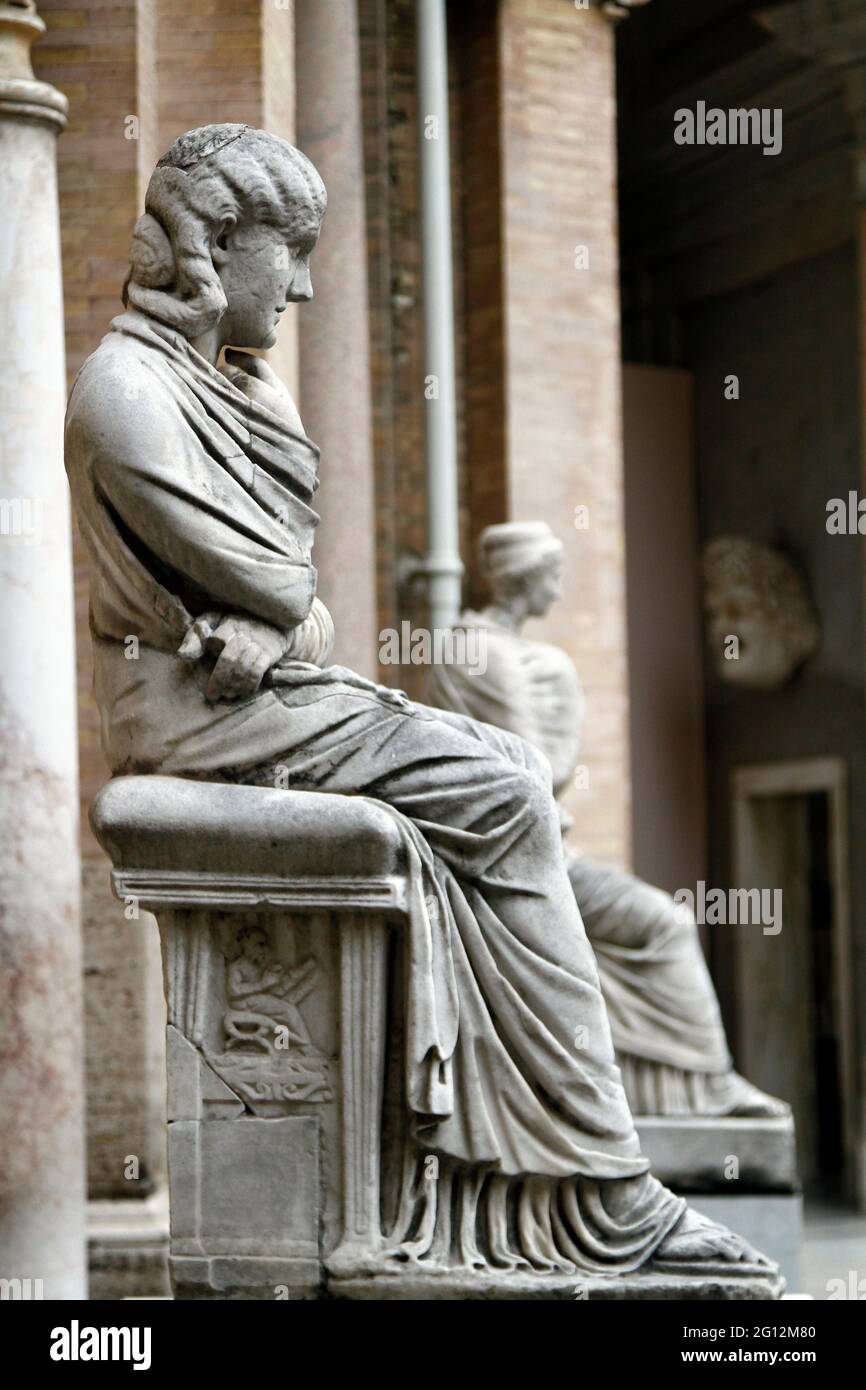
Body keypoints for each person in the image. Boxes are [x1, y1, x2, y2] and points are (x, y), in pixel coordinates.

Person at [65, 123, 779, 1283]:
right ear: (216, 242)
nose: (299, 283)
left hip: (262, 695)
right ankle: (595, 1185)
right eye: (287, 251)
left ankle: (511, 1174)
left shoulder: (232, 381)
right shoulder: (124, 394)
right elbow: (288, 580)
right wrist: (281, 613)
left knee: (494, 756)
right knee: (498, 790)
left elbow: (302, 610)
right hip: (189, 720)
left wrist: (279, 620)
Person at [429, 522, 789, 1119]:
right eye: (555, 575)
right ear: (529, 577)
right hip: (514, 858)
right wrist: (561, 703)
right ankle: (707, 1085)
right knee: (667, 925)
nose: (562, 589)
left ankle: (688, 1091)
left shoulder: (507, 651)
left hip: (532, 846)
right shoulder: (484, 653)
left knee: (660, 925)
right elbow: (531, 769)